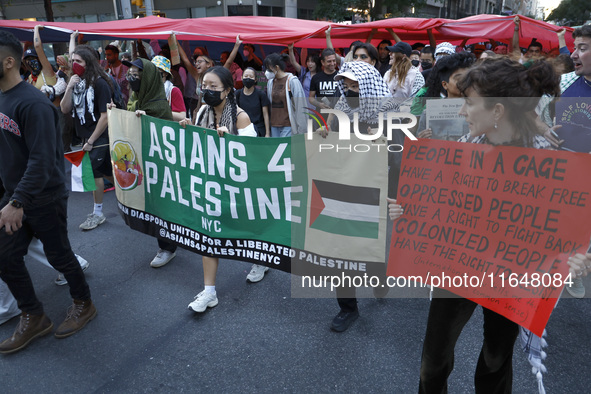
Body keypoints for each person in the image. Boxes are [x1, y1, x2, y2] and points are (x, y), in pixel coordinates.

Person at [408, 57, 560, 393]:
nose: (461, 111)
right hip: (459, 265)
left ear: (497, 112)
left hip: (511, 273)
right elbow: (441, 201)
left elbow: (561, 227)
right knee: (432, 362)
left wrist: (575, 256)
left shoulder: (549, 159)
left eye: (469, 103)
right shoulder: (467, 146)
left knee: (496, 359)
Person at [0, 31, 97, 354]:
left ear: (9, 61)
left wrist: (18, 202)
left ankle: (83, 303)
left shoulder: (34, 104)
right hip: (13, 195)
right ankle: (33, 314)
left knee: (59, 255)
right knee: (5, 255)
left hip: (42, 196)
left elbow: (43, 161)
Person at [317, 61, 396, 332]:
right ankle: (347, 308)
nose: (350, 91)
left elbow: (397, 143)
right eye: (347, 85)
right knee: (341, 244)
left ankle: (377, 276)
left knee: (366, 239)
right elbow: (328, 131)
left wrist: (379, 139)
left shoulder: (387, 107)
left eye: (356, 86)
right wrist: (322, 133)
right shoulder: (341, 104)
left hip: (371, 184)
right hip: (341, 181)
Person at [180, 66, 257, 312]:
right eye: (205, 86)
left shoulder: (240, 117)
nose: (208, 91)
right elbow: (197, 145)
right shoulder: (202, 110)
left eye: (214, 87)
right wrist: (187, 128)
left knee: (248, 231)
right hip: (211, 185)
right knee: (208, 234)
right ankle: (209, 291)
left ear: (227, 90)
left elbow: (254, 156)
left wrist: (232, 142)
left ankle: (260, 261)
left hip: (237, 188)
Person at [539, 24, 591, 298]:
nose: (573, 54)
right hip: (560, 175)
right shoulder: (565, 84)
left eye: (582, 48)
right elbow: (533, 114)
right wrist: (545, 130)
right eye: (574, 47)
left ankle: (573, 274)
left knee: (584, 231)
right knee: (556, 226)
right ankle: (551, 271)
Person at [121, 58, 178, 268]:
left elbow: (164, 134)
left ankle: (167, 247)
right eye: (131, 74)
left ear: (149, 78)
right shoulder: (135, 99)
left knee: (162, 206)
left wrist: (147, 121)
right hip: (140, 163)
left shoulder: (159, 105)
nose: (132, 78)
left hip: (159, 166)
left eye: (137, 74)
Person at [61, 44, 115, 231]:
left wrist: (91, 141)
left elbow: (105, 116)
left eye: (79, 61)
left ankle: (98, 214)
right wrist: (69, 87)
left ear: (88, 63)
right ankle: (135, 195)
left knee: (93, 172)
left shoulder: (100, 83)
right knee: (109, 172)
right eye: (73, 61)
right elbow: (65, 108)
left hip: (100, 136)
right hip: (86, 137)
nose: (74, 64)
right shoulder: (77, 83)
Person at [264, 53, 307, 137]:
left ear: (276, 67)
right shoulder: (270, 83)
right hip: (274, 126)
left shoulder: (292, 81)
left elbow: (300, 105)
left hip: (288, 125)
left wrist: (302, 130)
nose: (266, 72)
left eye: (269, 69)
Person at [236, 67, 270, 138]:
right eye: (246, 76)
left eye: (251, 76)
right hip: (243, 130)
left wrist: (267, 133)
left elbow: (265, 115)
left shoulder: (261, 94)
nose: (248, 78)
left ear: (255, 79)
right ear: (242, 78)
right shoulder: (237, 94)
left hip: (259, 130)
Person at [151, 55, 187, 122]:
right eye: (152, 71)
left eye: (158, 71)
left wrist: (160, 112)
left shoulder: (173, 91)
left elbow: (182, 116)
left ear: (166, 73)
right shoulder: (148, 89)